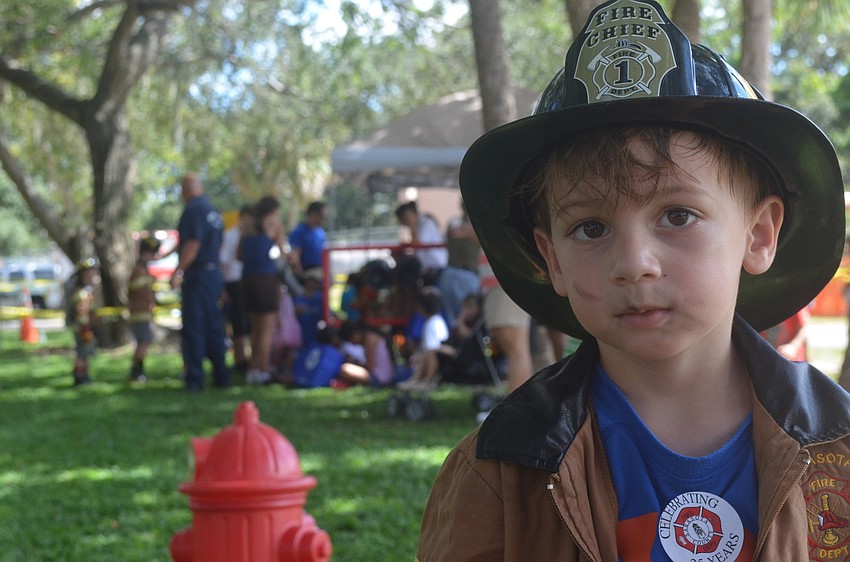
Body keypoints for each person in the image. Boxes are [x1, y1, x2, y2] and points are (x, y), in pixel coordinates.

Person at [417, 1, 849, 560]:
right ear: (552, 259)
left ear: (759, 234)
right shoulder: (499, 469)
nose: (634, 262)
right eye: (590, 227)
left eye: (677, 215)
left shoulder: (836, 445)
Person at [171, 173, 229, 392]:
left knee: (194, 326)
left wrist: (179, 270)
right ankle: (221, 373)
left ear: (184, 190)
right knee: (214, 325)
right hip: (213, 274)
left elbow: (193, 244)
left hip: (198, 276)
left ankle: (194, 377)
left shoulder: (193, 210)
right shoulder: (213, 211)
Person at [240, 196, 287, 386]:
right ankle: (263, 369)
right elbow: (283, 253)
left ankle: (253, 369)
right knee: (266, 329)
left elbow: (239, 254)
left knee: (255, 328)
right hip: (266, 280)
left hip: (247, 280)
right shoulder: (274, 224)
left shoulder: (247, 226)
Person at [219, 204, 252, 375]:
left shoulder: (254, 236)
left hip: (249, 282)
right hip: (233, 283)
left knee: (249, 323)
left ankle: (249, 358)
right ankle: (240, 360)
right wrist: (223, 287)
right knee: (238, 323)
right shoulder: (229, 235)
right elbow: (222, 262)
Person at [396, 287, 449, 391]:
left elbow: (431, 349)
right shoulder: (437, 320)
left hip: (436, 359)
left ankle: (420, 381)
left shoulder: (431, 324)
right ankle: (417, 380)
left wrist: (416, 357)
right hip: (437, 356)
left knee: (427, 353)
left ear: (421, 307)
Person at [436, 206, 481, 322]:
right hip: (468, 275)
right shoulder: (479, 226)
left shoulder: (453, 224)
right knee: (469, 318)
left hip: (449, 273)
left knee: (452, 319)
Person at [127, 236, 160, 383]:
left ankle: (137, 371)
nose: (153, 256)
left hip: (144, 312)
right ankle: (136, 372)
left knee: (144, 342)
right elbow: (137, 289)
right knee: (143, 342)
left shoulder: (143, 269)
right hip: (139, 313)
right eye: (151, 253)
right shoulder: (139, 270)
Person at [395, 201, 448, 284]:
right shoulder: (418, 225)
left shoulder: (426, 223)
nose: (402, 224)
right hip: (428, 271)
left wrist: (412, 224)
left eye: (402, 220)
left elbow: (418, 244)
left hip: (437, 269)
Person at [68, 258, 99, 386]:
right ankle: (80, 378)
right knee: (82, 353)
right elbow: (81, 312)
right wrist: (86, 329)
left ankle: (84, 375)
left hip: (86, 326)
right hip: (82, 327)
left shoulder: (86, 290)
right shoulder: (81, 292)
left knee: (85, 353)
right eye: (91, 271)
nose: (94, 274)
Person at [288, 200, 327, 282]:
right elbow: (295, 258)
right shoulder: (300, 232)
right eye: (322, 215)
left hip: (321, 270)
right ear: (313, 214)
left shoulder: (320, 232)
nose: (324, 218)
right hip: (308, 273)